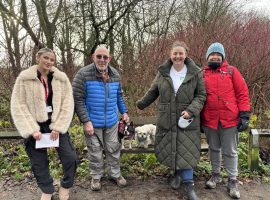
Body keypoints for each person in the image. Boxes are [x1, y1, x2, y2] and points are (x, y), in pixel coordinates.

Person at [136, 41, 206, 200]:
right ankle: (176, 174)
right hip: (166, 118)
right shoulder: (163, 72)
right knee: (171, 146)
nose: (178, 56)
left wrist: (190, 110)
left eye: (181, 53)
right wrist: (140, 104)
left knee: (186, 149)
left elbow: (201, 96)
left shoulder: (195, 73)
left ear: (186, 54)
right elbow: (153, 91)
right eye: (175, 53)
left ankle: (189, 184)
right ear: (170, 55)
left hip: (186, 119)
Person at [10, 48, 78, 200]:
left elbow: (68, 104)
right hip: (34, 124)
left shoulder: (61, 79)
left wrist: (59, 127)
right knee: (38, 162)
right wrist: (32, 130)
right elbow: (18, 105)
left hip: (55, 124)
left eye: (52, 60)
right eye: (46, 58)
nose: (49, 62)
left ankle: (65, 185)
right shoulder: (24, 78)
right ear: (37, 58)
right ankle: (47, 190)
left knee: (71, 157)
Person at [72, 45, 129, 191]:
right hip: (92, 123)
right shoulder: (83, 74)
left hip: (111, 122)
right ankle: (96, 177)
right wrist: (86, 121)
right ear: (93, 57)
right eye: (99, 56)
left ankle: (115, 174)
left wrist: (124, 112)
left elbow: (119, 96)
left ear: (109, 58)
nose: (102, 60)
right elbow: (77, 100)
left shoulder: (115, 74)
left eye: (105, 57)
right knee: (95, 152)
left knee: (113, 149)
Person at [201, 42, 250, 199]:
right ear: (207, 57)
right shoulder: (202, 74)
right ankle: (215, 175)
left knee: (230, 151)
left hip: (229, 119)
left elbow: (242, 93)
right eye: (212, 54)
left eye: (218, 55)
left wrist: (244, 114)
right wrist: (199, 118)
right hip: (210, 119)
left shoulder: (231, 71)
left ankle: (233, 180)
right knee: (214, 149)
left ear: (222, 57)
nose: (215, 56)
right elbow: (198, 97)